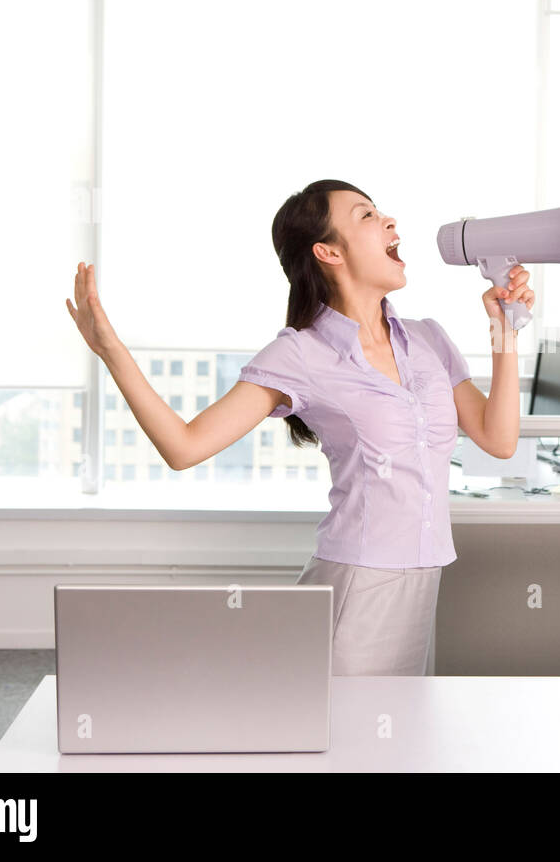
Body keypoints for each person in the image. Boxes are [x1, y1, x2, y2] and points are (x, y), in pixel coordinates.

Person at [66, 179, 534, 677]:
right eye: (366, 215)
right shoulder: (300, 354)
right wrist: (111, 351)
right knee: (338, 745)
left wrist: (504, 328)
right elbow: (185, 447)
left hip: (424, 577)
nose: (389, 222)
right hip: (358, 583)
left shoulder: (427, 339)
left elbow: (498, 440)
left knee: (390, 746)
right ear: (328, 250)